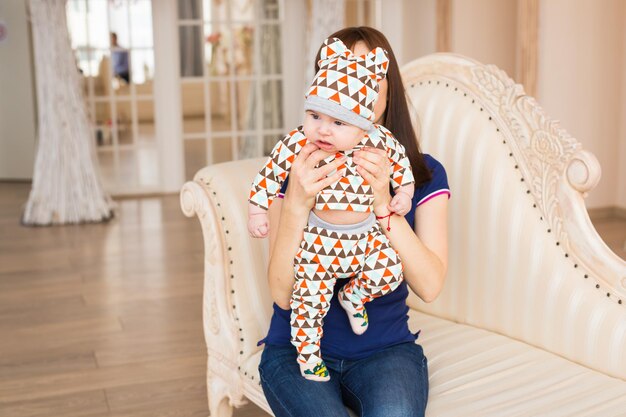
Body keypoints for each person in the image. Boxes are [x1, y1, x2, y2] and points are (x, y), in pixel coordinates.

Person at [258, 26, 450, 416]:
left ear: (386, 90)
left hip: (387, 352)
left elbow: (430, 285)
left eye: (364, 74)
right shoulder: (294, 166)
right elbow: (281, 293)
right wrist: (296, 203)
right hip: (296, 350)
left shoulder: (421, 174)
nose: (348, 86)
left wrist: (384, 205)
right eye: (338, 74)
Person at [248, 37, 415, 381]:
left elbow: (402, 168)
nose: (324, 129)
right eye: (315, 116)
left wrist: (401, 196)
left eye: (338, 122)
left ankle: (355, 294)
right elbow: (269, 172)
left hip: (366, 238)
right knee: (309, 303)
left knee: (388, 271)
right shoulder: (301, 146)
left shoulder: (377, 141)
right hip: (319, 244)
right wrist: (259, 209)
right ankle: (309, 357)